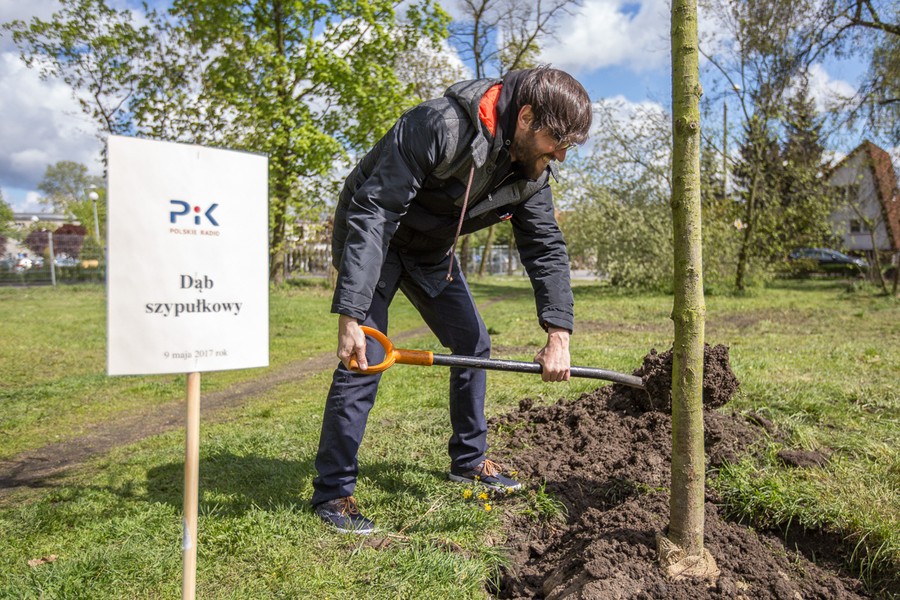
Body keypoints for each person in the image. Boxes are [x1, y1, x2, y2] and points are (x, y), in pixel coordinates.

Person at [312, 65, 593, 534]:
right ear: (526, 117)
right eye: (557, 142)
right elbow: (375, 210)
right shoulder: (439, 125)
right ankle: (334, 493)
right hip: (376, 241)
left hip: (429, 253)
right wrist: (352, 313)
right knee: (368, 355)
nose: (561, 155)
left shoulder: (531, 174)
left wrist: (558, 334)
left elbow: (545, 248)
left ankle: (468, 461)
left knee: (472, 343)